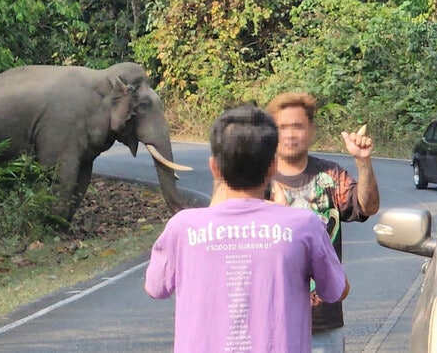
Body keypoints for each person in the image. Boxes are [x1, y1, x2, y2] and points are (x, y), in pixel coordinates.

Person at [145, 105, 350, 352]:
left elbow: (156, 288)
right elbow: (336, 290)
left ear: (214, 168)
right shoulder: (305, 225)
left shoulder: (182, 227)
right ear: (273, 167)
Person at [265, 92, 380, 350]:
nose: (291, 134)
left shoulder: (330, 175)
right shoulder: (259, 179)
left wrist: (363, 163)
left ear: (311, 130)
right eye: (283, 127)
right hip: (270, 320)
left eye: (298, 126)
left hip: (323, 321)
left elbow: (367, 206)